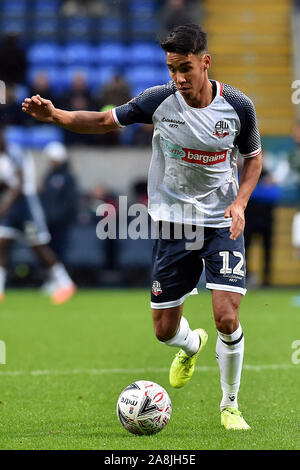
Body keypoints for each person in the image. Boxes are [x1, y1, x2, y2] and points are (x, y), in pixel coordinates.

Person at [22, 24, 262, 430]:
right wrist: (56, 114)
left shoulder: (238, 106)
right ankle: (190, 345)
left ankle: (230, 405)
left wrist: (240, 203)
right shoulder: (159, 100)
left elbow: (253, 158)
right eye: (172, 69)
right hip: (172, 226)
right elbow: (101, 122)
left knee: (225, 315)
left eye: (185, 68)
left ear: (205, 63)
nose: (179, 78)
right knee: (165, 331)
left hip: (221, 223)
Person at [0, 131, 76, 304]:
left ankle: (65, 283)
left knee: (38, 245)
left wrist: (4, 208)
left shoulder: (15, 153)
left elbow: (19, 185)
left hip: (25, 206)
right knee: (2, 243)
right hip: (11, 208)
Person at [41, 141, 78, 262]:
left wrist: (58, 216)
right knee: (48, 250)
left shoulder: (68, 177)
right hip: (48, 221)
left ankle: (61, 278)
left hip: (61, 222)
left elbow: (70, 200)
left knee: (60, 250)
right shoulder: (49, 175)